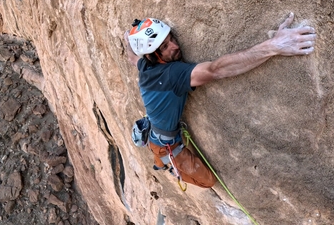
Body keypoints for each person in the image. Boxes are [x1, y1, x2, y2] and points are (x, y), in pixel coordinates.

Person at [124, 13, 317, 188]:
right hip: (165, 144)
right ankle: (168, 164)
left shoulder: (145, 65)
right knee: (208, 181)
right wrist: (274, 46)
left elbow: (134, 59)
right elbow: (215, 70)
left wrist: (129, 42)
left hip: (158, 130)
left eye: (171, 38)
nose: (175, 46)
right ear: (153, 56)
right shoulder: (170, 75)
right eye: (165, 47)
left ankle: (164, 160)